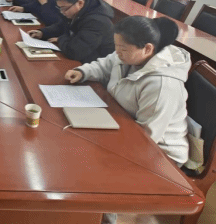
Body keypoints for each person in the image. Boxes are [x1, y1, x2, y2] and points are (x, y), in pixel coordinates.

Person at [65, 16, 190, 224]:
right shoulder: (127, 56)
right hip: (124, 125)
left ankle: (105, 216)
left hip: (159, 151)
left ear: (147, 49)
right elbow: (106, 64)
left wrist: (103, 147)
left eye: (122, 48)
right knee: (75, 145)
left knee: (90, 164)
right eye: (116, 46)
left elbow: (146, 140)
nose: (117, 52)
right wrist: (82, 71)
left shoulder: (162, 85)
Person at [28, 0, 114, 63]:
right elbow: (62, 25)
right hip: (81, 56)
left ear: (80, 3)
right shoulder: (78, 8)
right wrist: (43, 33)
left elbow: (75, 52)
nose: (62, 12)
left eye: (64, 8)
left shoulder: (97, 22)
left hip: (94, 64)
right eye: (59, 8)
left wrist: (60, 39)